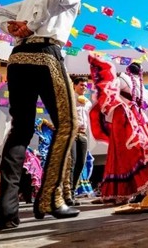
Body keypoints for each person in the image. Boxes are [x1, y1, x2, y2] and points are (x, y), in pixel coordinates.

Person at [0, 0, 87, 230]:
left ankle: (6, 212)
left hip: (18, 59)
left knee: (20, 130)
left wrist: (12, 28)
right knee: (69, 124)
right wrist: (32, 25)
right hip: (46, 56)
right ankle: (50, 198)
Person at [87, 54, 148, 204]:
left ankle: (132, 190)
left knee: (125, 154)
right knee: (144, 151)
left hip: (125, 119)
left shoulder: (123, 79)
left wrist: (102, 71)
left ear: (128, 70)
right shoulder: (140, 84)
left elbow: (109, 91)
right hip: (140, 119)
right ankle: (143, 188)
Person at [62, 76, 91, 206]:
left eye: (85, 85)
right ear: (74, 85)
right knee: (71, 162)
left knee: (81, 163)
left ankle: (73, 193)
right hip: (71, 133)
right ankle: (67, 194)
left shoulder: (88, 102)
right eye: (81, 85)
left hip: (83, 135)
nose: (83, 87)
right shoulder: (69, 98)